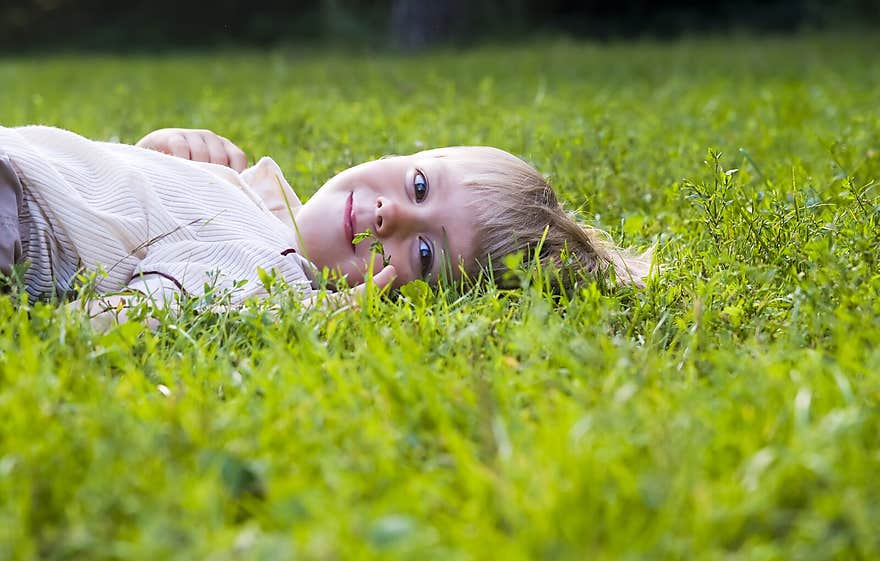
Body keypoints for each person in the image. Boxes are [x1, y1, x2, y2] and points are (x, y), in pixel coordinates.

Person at [0, 125, 653, 322]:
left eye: (423, 250)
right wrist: (149, 150)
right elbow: (127, 204)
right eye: (419, 185)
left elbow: (123, 314)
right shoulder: (255, 196)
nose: (391, 212)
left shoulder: (269, 262)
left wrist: (307, 312)